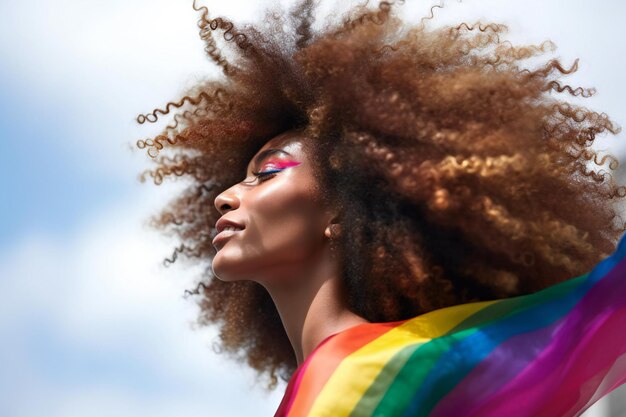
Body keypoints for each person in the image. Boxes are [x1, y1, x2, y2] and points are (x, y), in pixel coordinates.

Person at [135, 0, 626, 415]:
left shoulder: (380, 370)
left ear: (343, 211)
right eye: (240, 179)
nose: (227, 196)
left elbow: (607, 305)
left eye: (267, 174)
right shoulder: (332, 381)